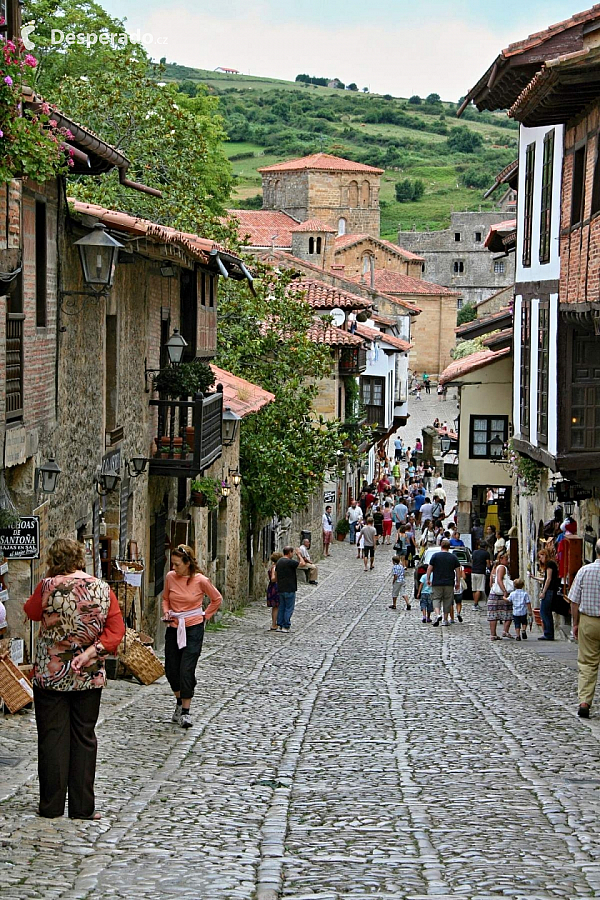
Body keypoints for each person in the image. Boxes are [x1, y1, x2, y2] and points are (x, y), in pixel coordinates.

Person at [24, 538, 125, 819]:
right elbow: (116, 631)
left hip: (51, 673)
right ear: (81, 557)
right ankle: (82, 808)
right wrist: (93, 652)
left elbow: (31, 612)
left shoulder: (47, 587)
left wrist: (48, 585)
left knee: (52, 738)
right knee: (84, 737)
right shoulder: (102, 589)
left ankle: (51, 807)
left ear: (53, 561)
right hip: (88, 675)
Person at [163, 544, 222, 728]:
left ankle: (186, 713)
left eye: (177, 564)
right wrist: (167, 612)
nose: (174, 568)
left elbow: (216, 598)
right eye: (172, 564)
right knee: (171, 669)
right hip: (174, 627)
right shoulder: (170, 578)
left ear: (187, 563)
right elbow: (165, 599)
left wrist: (205, 616)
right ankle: (179, 702)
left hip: (193, 628)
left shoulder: (201, 580)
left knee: (186, 668)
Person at [569, 539, 600, 717]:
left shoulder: (585, 571)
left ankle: (585, 702)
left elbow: (574, 600)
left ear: (595, 551)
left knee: (587, 663)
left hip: (589, 621)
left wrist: (575, 623)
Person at [427, 539, 461, 627]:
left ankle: (438, 614)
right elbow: (458, 571)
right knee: (447, 601)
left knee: (436, 599)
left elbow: (429, 569)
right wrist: (458, 582)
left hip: (437, 582)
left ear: (441, 546)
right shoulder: (453, 557)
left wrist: (428, 579)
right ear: (449, 547)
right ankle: (445, 620)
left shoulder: (435, 556)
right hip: (449, 582)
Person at [487, 551, 514, 641]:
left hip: (494, 593)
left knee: (493, 613)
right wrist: (504, 591)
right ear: (501, 559)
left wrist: (492, 588)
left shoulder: (495, 567)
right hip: (500, 593)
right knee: (508, 611)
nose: (508, 561)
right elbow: (499, 580)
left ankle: (493, 634)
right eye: (506, 559)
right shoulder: (502, 567)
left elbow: (491, 579)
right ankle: (505, 631)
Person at [275, 547, 299, 633]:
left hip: (281, 588)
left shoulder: (279, 562)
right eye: (292, 553)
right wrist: (299, 554)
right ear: (290, 552)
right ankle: (286, 625)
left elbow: (276, 574)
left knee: (281, 607)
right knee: (289, 608)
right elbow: (302, 564)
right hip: (290, 588)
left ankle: (279, 625)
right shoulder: (290, 562)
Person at [538, 549, 560, 641]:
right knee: (546, 612)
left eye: (540, 557)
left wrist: (543, 591)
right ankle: (548, 633)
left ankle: (548, 633)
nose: (540, 559)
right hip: (550, 590)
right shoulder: (551, 564)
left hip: (549, 590)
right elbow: (546, 578)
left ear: (544, 555)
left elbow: (548, 579)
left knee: (544, 612)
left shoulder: (549, 564)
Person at [471, 539, 491, 610]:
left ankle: (475, 603)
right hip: (480, 572)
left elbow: (472, 561)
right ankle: (475, 604)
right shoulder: (486, 553)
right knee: (479, 589)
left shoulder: (474, 552)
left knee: (474, 589)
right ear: (485, 547)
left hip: (473, 571)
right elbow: (488, 564)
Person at [266, 551, 283, 631]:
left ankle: (276, 623)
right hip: (275, 587)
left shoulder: (273, 566)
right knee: (276, 606)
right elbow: (273, 579)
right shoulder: (275, 567)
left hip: (273, 587)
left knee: (276, 606)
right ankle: (274, 624)